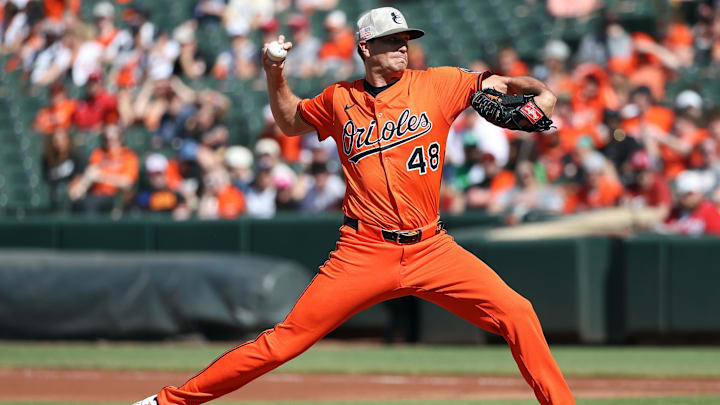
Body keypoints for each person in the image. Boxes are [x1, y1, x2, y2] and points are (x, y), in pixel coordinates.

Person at [133, 7, 575, 405]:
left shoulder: (439, 83)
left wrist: (544, 96)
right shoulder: (338, 99)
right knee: (283, 343)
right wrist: (274, 71)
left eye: (406, 40)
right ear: (365, 47)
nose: (403, 47)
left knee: (518, 312)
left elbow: (508, 83)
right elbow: (289, 122)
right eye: (391, 41)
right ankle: (166, 404)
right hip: (363, 251)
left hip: (432, 248)